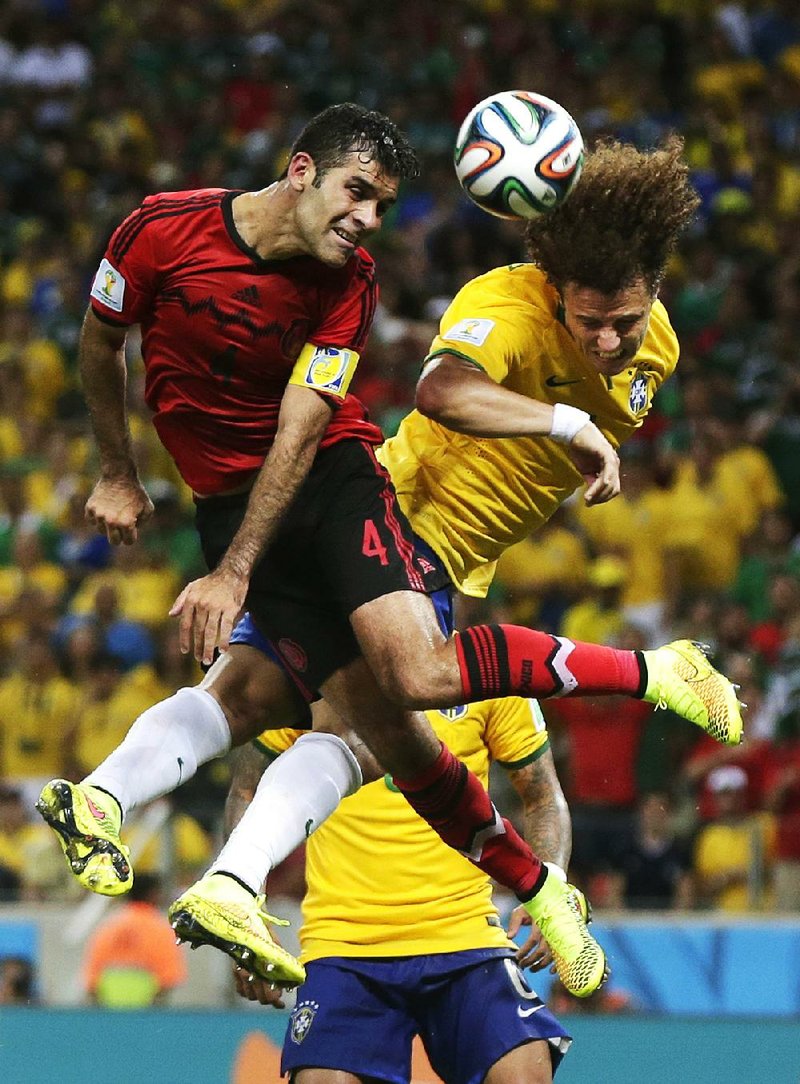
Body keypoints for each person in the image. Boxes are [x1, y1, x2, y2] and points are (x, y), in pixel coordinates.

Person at [37, 127, 741, 997]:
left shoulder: (657, 349)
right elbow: (441, 388)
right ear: (556, 290)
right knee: (375, 708)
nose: (605, 343)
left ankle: (179, 848)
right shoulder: (509, 302)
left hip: (453, 551)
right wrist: (568, 425)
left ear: (656, 296)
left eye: (623, 323)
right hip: (403, 514)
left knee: (271, 699)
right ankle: (652, 676)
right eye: (589, 323)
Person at [232, 696, 573, 1084]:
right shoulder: (311, 664)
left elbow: (544, 795)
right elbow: (245, 790)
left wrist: (551, 890)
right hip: (345, 944)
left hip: (465, 934)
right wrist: (247, 913)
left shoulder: (489, 671)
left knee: (524, 1073)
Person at [82, 872, 187, 1007]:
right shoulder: (160, 930)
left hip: (108, 1011)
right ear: (153, 894)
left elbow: (92, 979)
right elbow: (168, 979)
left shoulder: (109, 927)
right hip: (146, 1014)